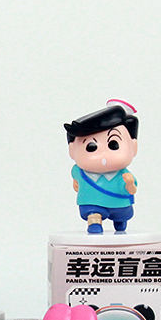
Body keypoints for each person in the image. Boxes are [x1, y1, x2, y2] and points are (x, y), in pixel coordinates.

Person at [64, 99, 139, 234]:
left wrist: (129, 183)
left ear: (133, 147)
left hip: (119, 204)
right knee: (92, 212)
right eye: (91, 147)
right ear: (72, 150)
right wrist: (76, 184)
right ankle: (94, 223)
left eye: (113, 145)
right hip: (90, 202)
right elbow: (76, 182)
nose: (103, 155)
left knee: (121, 217)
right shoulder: (78, 171)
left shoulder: (123, 173)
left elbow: (132, 190)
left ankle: (120, 222)